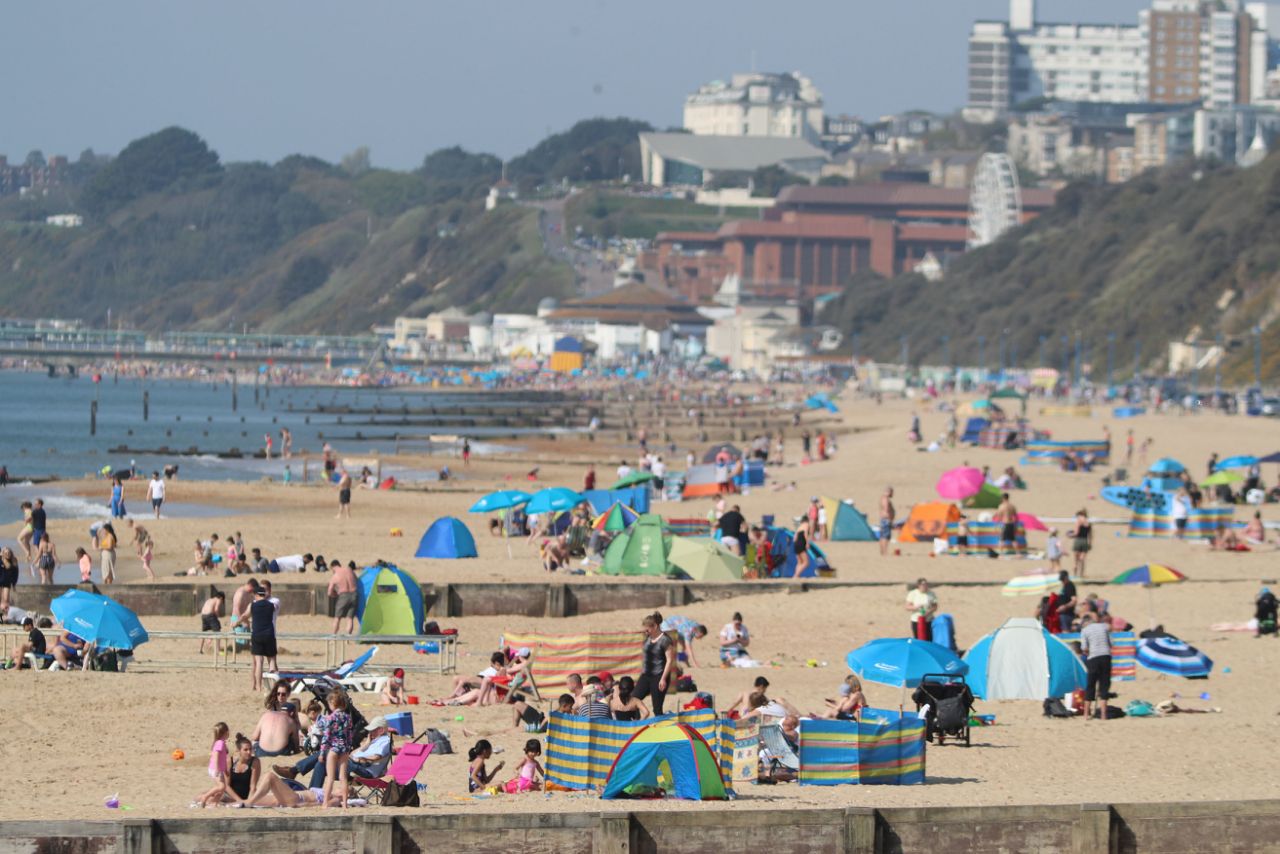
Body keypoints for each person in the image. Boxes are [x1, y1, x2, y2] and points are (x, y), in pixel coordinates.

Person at [318, 688, 354, 809]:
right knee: (343, 777)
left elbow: (326, 736)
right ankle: (345, 804)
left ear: (333, 703)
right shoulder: (348, 717)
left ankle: (325, 803)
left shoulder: (330, 718)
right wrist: (348, 748)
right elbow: (350, 735)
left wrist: (322, 753)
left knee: (330, 778)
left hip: (333, 749)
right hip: (344, 749)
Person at [635, 612, 676, 715]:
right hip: (646, 675)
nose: (645, 631)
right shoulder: (647, 638)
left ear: (655, 626)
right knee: (633, 700)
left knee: (657, 708)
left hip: (659, 675)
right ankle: (636, 723)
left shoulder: (665, 640)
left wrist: (663, 679)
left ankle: (660, 728)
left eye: (647, 628)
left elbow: (669, 660)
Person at [251, 682, 301, 758]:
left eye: (283, 694)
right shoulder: (272, 707)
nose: (280, 696)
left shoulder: (291, 708)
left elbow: (298, 726)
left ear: (288, 694)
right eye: (278, 693)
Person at [1079, 613, 1112, 721]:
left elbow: (1084, 648)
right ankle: (1103, 715)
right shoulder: (1104, 627)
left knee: (1090, 685)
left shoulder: (1085, 631)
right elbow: (1110, 643)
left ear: (1085, 623)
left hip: (1093, 658)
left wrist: (1088, 652)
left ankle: (1086, 714)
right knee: (1104, 685)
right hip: (1106, 657)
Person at [193, 722, 232, 807]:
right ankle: (205, 796)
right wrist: (218, 769)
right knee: (221, 786)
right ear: (226, 732)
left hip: (218, 769)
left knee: (222, 788)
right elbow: (217, 756)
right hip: (215, 769)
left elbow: (223, 759)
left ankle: (215, 802)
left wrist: (225, 770)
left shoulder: (221, 743)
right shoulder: (220, 743)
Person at [250, 586, 277, 692]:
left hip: (257, 635)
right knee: (271, 660)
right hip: (269, 634)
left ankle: (259, 687)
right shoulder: (271, 605)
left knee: (259, 662)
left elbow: (245, 615)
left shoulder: (253, 605)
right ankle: (273, 687)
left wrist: (237, 622)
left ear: (256, 595)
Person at [226, 734, 261, 804]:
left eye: (250, 749)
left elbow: (253, 786)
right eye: (245, 750)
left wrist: (248, 802)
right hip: (231, 797)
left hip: (247, 796)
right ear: (238, 750)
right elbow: (227, 786)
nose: (249, 752)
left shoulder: (255, 761)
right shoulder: (230, 761)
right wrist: (239, 800)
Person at [327, 559, 358, 635]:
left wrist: (334, 595)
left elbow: (329, 592)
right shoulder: (349, 570)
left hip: (343, 595)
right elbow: (356, 580)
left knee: (337, 618)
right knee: (350, 618)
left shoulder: (335, 575)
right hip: (354, 594)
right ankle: (348, 638)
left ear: (332, 567)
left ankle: (334, 635)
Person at [1070, 510, 1092, 577]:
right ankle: (1081, 575)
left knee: (1075, 561)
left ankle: (1075, 575)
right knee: (1082, 560)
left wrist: (1070, 535)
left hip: (1078, 540)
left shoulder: (1078, 522)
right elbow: (1090, 536)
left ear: (1080, 515)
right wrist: (1090, 544)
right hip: (1085, 541)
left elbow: (1076, 533)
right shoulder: (1088, 523)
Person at [878, 487, 895, 556]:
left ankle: (883, 551)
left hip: (883, 520)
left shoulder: (882, 498)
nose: (892, 494)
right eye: (892, 492)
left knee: (883, 536)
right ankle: (884, 552)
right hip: (886, 520)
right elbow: (887, 509)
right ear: (889, 492)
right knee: (886, 536)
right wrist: (890, 519)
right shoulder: (886, 499)